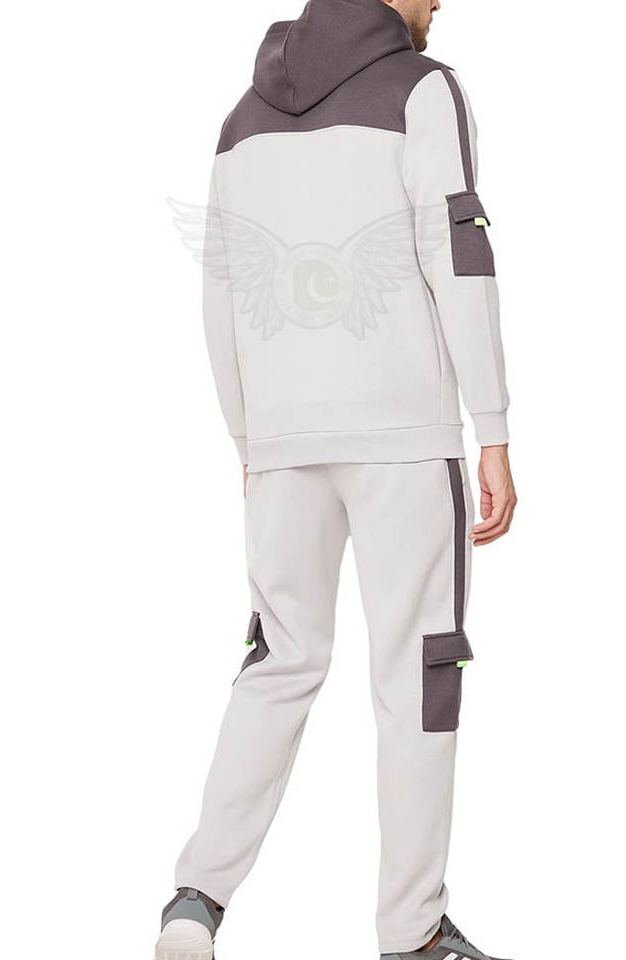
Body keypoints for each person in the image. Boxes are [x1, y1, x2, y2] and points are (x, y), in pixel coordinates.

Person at [159, 1, 517, 958]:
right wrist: (493, 428)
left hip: (281, 440)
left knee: (277, 662)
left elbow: (219, 295)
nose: (443, 3)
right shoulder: (423, 90)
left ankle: (196, 900)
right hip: (403, 438)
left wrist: (248, 437)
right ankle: (412, 933)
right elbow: (460, 251)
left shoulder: (241, 120)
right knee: (418, 676)